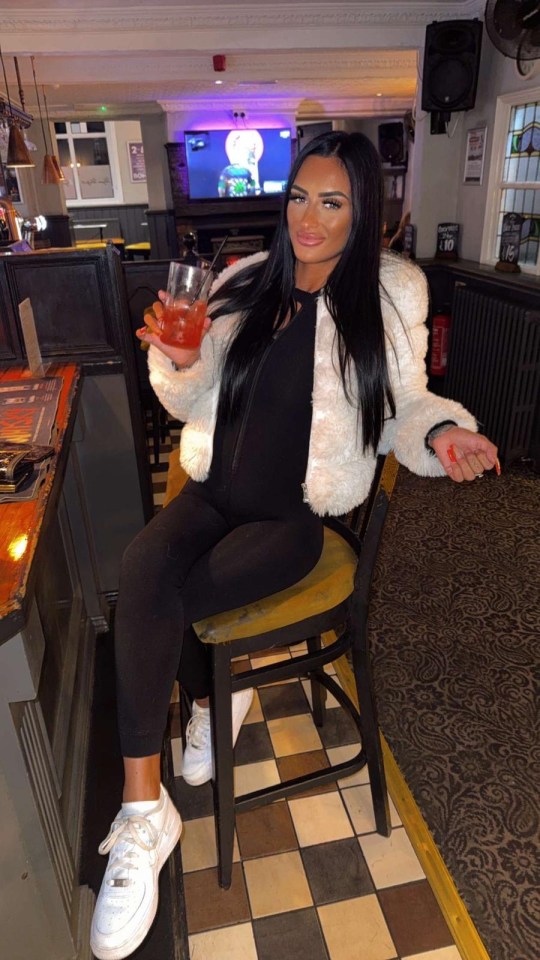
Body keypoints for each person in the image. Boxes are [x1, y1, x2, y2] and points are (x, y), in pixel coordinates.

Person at [90, 131, 498, 960]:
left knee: (165, 604)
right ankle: (145, 813)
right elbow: (199, 392)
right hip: (213, 493)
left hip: (293, 517)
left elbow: (408, 401)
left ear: (362, 213)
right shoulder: (244, 281)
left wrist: (446, 432)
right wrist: (175, 361)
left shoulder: (387, 298)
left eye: (333, 202)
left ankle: (213, 697)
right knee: (143, 574)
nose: (309, 219)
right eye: (300, 197)